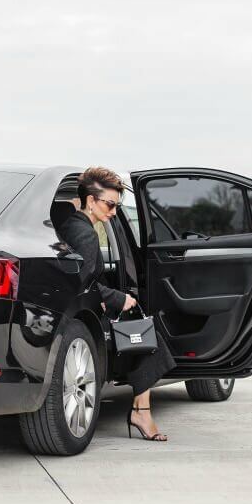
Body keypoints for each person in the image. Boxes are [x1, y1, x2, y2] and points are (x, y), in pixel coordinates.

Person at [58, 167, 176, 441]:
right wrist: (119, 298)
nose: (113, 211)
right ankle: (141, 411)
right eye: (110, 204)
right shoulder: (85, 234)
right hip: (88, 316)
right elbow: (84, 284)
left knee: (144, 335)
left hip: (83, 314)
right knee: (149, 339)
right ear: (90, 201)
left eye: (117, 205)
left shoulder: (73, 226)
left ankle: (140, 409)